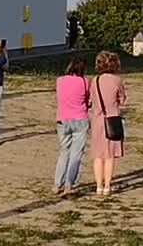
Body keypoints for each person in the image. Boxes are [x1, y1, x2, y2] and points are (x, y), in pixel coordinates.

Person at [89, 50, 126, 196]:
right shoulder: (117, 81)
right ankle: (107, 186)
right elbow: (122, 99)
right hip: (112, 119)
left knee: (98, 155)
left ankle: (98, 186)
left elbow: (91, 100)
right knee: (110, 155)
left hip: (97, 120)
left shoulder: (94, 81)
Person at [53, 56, 90, 196]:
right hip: (80, 118)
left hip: (63, 118)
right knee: (76, 154)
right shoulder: (84, 82)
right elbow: (87, 99)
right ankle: (69, 183)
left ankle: (57, 183)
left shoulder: (60, 80)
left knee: (64, 152)